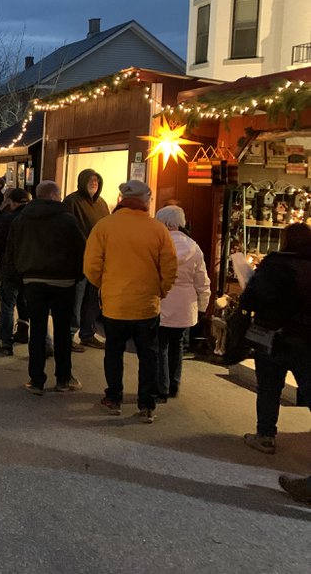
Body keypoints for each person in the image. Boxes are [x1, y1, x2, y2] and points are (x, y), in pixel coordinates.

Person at [85, 180, 177, 422]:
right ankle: (146, 405)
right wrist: (160, 291)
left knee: (113, 351)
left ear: (121, 199)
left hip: (115, 304)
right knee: (149, 355)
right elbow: (170, 268)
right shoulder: (157, 229)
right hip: (147, 305)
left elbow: (91, 266)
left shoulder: (104, 226)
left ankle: (113, 398)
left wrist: (105, 285)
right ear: (146, 201)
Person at [4, 180, 86, 394]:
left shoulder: (22, 219)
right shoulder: (68, 220)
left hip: (32, 280)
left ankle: (37, 380)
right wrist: (77, 276)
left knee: (37, 330)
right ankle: (63, 378)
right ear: (55, 196)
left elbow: (11, 249)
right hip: (63, 281)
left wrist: (17, 276)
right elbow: (80, 250)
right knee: (62, 332)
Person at [238, 222, 311, 455]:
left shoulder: (274, 264)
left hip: (271, 335)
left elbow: (250, 300)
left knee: (269, 387)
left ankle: (265, 435)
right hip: (307, 339)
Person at [154, 206, 210, 403]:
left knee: (159, 346)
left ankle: (161, 387)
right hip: (185, 305)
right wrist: (203, 305)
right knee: (177, 345)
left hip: (161, 301)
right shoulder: (194, 247)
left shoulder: (158, 244)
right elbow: (202, 280)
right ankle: (174, 385)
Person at [63, 168, 110, 351]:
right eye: (91, 181)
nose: (94, 184)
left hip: (98, 259)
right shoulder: (72, 201)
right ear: (82, 181)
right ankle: (69, 334)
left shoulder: (102, 204)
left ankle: (88, 333)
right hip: (79, 259)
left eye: (97, 181)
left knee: (93, 300)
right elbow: (68, 229)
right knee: (77, 299)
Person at [0, 188, 32, 355]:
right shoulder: (34, 219)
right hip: (29, 268)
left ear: (13, 203)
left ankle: (5, 342)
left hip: (10, 268)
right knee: (23, 302)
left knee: (7, 304)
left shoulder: (8, 218)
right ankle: (22, 333)